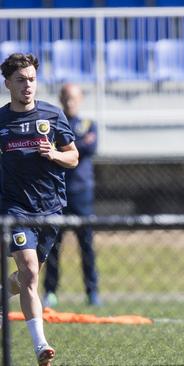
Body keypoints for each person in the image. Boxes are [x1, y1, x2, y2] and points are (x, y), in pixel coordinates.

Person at [0, 53, 78, 366]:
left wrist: (55, 154)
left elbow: (73, 157)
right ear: (8, 84)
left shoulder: (53, 115)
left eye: (31, 79)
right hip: (14, 208)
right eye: (21, 80)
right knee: (31, 273)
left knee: (25, 278)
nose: (27, 85)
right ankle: (40, 346)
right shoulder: (1, 121)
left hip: (50, 208)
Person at [43, 83, 100, 308]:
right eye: (66, 98)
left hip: (81, 193)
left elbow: (90, 148)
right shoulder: (53, 124)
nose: (70, 102)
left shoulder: (88, 124)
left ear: (80, 99)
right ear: (61, 99)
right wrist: (74, 146)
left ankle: (92, 291)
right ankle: (50, 292)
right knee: (52, 245)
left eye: (74, 98)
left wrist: (63, 150)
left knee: (86, 244)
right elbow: (51, 150)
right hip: (57, 193)